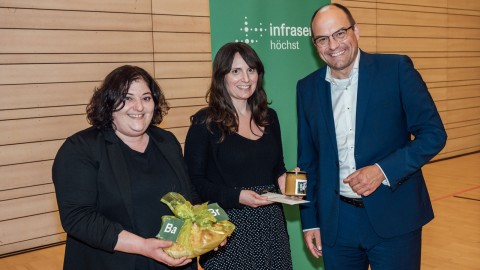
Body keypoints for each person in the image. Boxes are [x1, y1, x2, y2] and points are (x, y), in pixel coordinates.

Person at [297, 3, 447, 270]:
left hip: (395, 218)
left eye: (340, 33)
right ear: (315, 44)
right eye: (323, 39)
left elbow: (433, 134)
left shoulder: (396, 69)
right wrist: (310, 220)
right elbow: (308, 161)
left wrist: (382, 170)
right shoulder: (307, 88)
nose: (333, 45)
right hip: (336, 224)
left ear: (356, 30)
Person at [52, 65, 200, 270]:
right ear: (109, 103)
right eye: (127, 98)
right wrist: (143, 246)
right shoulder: (81, 148)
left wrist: (205, 225)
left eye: (146, 98)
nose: (138, 107)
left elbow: (188, 196)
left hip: (172, 261)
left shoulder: (166, 141)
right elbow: (78, 218)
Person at [184, 42, 293, 270]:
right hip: (227, 229)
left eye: (251, 70)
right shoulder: (205, 123)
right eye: (236, 71)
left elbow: (277, 166)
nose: (246, 78)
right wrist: (237, 197)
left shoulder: (269, 117)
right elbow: (193, 183)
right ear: (221, 76)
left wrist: (285, 181)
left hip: (272, 225)